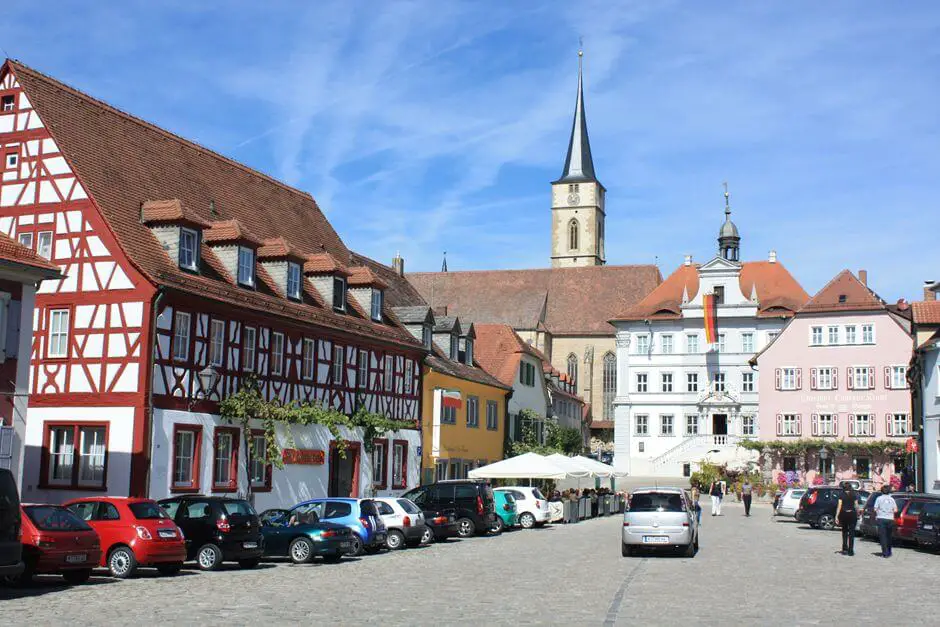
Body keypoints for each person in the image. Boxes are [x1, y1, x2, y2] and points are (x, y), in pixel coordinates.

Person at [872, 485, 899, 558]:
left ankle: (885, 552)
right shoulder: (892, 499)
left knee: (883, 536)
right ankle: (889, 551)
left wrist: (880, 511)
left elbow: (875, 509)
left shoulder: (879, 498)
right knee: (889, 536)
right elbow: (896, 510)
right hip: (890, 519)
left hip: (881, 518)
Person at [835, 484, 859, 556]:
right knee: (852, 533)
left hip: (844, 514)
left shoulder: (841, 495)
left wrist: (836, 516)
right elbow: (856, 505)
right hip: (852, 514)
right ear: (850, 488)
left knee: (844, 531)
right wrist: (858, 512)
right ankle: (851, 550)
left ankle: (845, 548)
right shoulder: (854, 494)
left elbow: (839, 506)